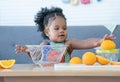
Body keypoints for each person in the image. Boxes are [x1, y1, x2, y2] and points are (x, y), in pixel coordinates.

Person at [16, 7, 116, 64]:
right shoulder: (45, 44)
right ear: (47, 32)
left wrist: (99, 42)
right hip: (48, 76)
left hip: (66, 75)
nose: (61, 31)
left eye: (64, 28)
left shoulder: (68, 44)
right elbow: (37, 56)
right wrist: (27, 51)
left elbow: (85, 42)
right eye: (56, 28)